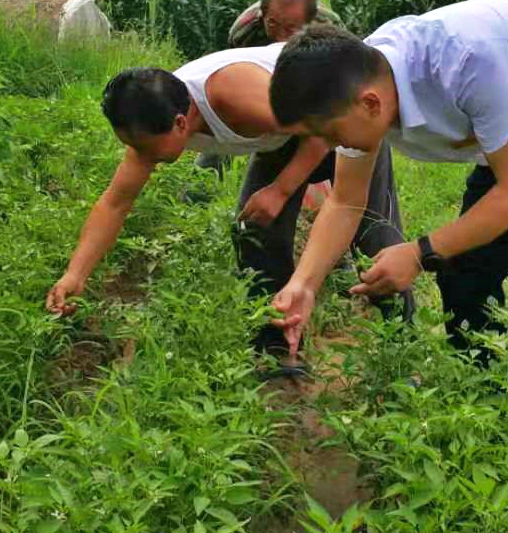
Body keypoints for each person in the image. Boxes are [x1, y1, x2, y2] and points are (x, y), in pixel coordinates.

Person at [266, 0, 508, 416]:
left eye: (329, 134)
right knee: (463, 272)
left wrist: (419, 252)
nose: (327, 146)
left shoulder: (466, 60)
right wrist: (304, 284)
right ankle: (481, 404)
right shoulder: (358, 85)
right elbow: (346, 199)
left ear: (370, 104)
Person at [46, 39, 412, 369]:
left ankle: (402, 343)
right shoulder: (152, 119)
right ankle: (276, 348)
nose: (139, 156)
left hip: (338, 119)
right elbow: (115, 204)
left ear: (179, 123)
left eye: (143, 147)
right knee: (256, 231)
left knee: (374, 231)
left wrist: (281, 190)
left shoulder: (239, 98)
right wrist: (75, 274)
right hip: (283, 137)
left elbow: (320, 127)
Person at [194, 0, 343, 177]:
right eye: (273, 24)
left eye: (291, 29)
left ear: (308, 23)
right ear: (262, 16)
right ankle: (198, 187)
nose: (282, 35)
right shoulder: (245, 31)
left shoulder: (329, 33)